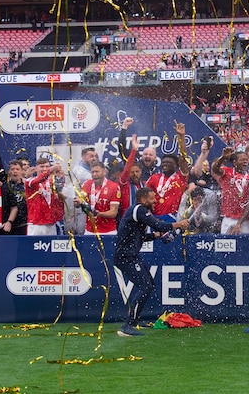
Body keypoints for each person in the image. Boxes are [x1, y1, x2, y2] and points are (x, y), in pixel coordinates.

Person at [113, 187, 188, 337]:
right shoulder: (139, 209)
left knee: (149, 284)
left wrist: (160, 235)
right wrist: (178, 225)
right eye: (152, 198)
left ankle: (134, 321)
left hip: (129, 256)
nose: (155, 201)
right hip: (126, 257)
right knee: (145, 285)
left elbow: (142, 237)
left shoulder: (138, 214)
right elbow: (158, 225)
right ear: (142, 199)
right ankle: (127, 325)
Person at [145, 121, 189, 219]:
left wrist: (181, 137)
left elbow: (183, 158)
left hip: (173, 218)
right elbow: (145, 196)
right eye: (164, 162)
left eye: (168, 163)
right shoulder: (154, 178)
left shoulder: (180, 177)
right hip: (154, 218)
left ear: (176, 165)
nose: (165, 164)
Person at [212, 146, 249, 234]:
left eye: (246, 160)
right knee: (225, 246)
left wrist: (239, 224)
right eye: (242, 160)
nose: (245, 162)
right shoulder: (227, 172)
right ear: (235, 162)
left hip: (244, 220)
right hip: (228, 219)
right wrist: (223, 158)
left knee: (246, 246)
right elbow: (215, 169)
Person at [24, 158, 66, 235]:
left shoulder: (51, 183)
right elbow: (40, 179)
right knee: (33, 246)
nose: (45, 169)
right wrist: (50, 170)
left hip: (51, 223)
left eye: (47, 166)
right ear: (36, 168)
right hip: (36, 224)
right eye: (42, 167)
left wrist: (60, 178)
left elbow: (61, 196)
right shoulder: (29, 181)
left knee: (51, 246)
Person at [79, 161, 121, 235]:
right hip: (89, 231)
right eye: (92, 172)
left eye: (97, 172)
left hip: (108, 231)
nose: (94, 174)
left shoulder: (114, 187)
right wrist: (78, 202)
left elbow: (113, 212)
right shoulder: (86, 184)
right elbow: (82, 200)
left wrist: (99, 214)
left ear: (104, 172)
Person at [68, 146, 98, 235]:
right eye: (91, 156)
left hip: (91, 206)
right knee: (81, 232)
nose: (94, 158)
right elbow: (73, 189)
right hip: (81, 208)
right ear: (84, 157)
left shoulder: (93, 169)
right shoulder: (78, 171)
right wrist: (78, 204)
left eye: (95, 156)